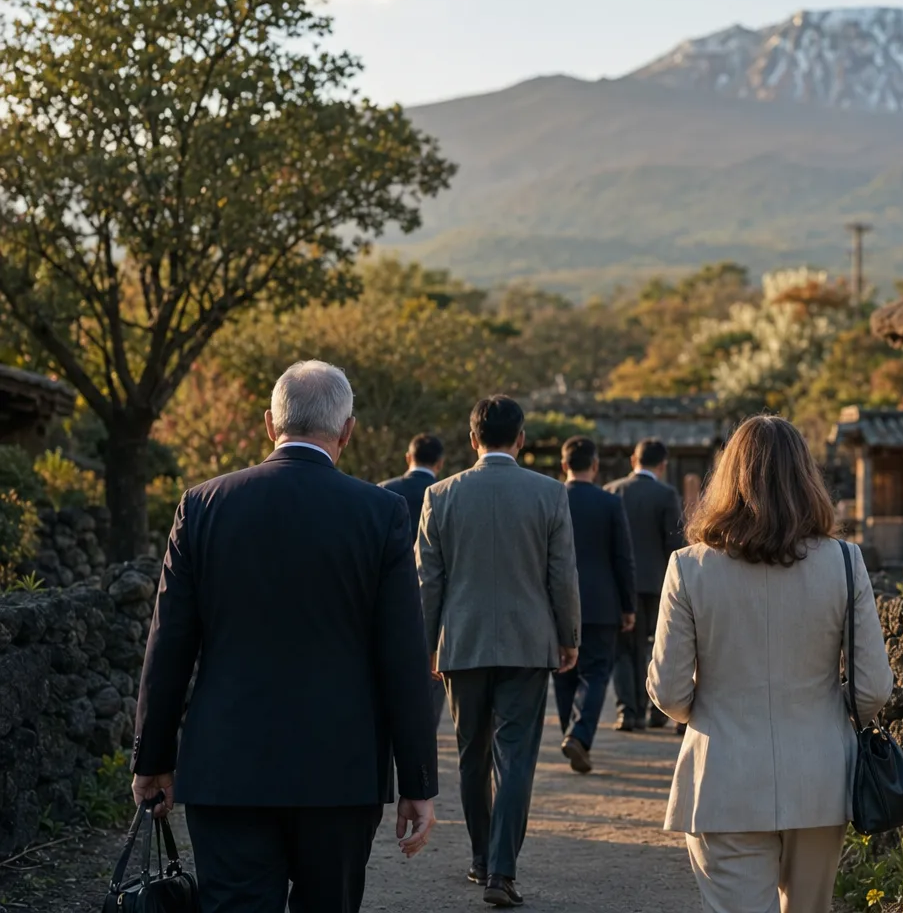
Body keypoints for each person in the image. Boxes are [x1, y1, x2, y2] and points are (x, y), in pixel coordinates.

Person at [132, 360, 437, 913]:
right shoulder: (381, 513)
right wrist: (417, 780)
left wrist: (152, 758)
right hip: (341, 771)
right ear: (347, 431)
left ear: (270, 425)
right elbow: (403, 658)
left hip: (227, 766)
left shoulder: (201, 506)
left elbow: (169, 644)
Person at [649, 415, 893, 913]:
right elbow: (871, 689)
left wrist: (712, 710)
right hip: (820, 777)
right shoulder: (845, 562)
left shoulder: (689, 567)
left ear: (727, 478)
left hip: (722, 778)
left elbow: (669, 692)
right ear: (806, 477)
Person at [417, 396, 580, 908]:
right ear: (521, 439)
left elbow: (427, 582)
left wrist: (427, 645)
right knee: (515, 757)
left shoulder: (439, 495)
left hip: (462, 643)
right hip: (528, 642)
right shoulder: (549, 493)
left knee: (472, 756)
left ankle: (480, 858)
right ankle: (502, 871)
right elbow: (562, 575)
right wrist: (569, 636)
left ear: (473, 439)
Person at [556, 435, 637, 773]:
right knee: (596, 672)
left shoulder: (551, 498)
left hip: (558, 601)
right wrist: (628, 605)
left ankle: (572, 733)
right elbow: (622, 557)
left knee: (563, 674)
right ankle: (578, 734)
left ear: (564, 465)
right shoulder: (609, 502)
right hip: (602, 602)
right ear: (595, 465)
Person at [605, 438, 685, 732]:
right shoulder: (666, 494)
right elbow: (674, 543)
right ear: (663, 465)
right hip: (658, 582)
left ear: (633, 460)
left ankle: (628, 711)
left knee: (624, 649)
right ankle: (656, 710)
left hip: (620, 584)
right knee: (657, 647)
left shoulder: (611, 491)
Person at [380, 433, 449, 725]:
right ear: (440, 463)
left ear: (408, 457)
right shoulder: (447, 494)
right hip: (436, 603)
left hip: (389, 601)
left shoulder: (383, 492)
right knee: (431, 686)